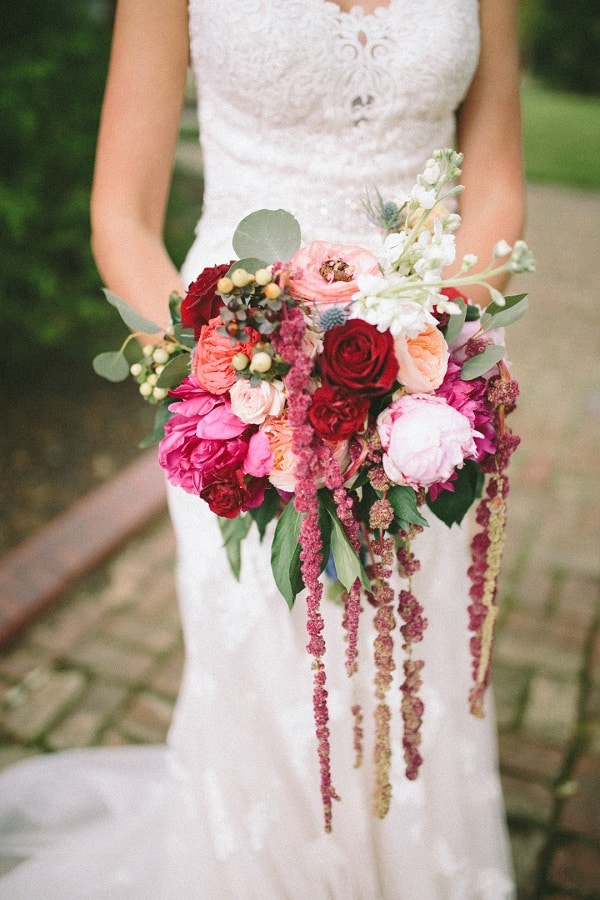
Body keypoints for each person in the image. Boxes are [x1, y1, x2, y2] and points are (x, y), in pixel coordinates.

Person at [0, 1, 524, 896]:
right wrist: (230, 386)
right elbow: (121, 215)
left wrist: (425, 358)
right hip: (241, 387)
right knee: (267, 670)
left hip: (433, 394)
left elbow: (499, 180)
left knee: (413, 667)